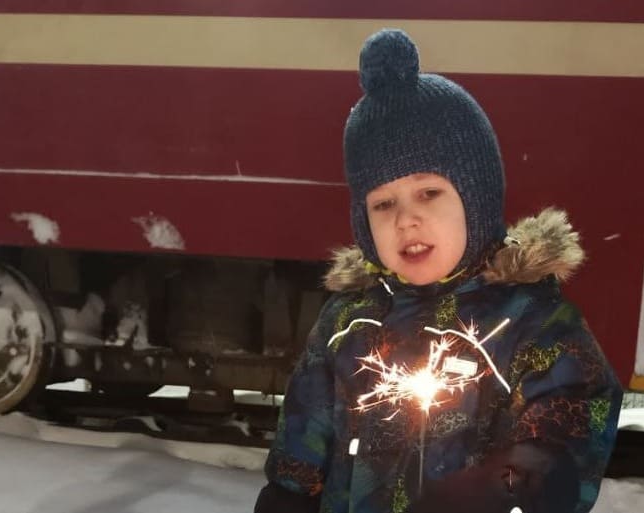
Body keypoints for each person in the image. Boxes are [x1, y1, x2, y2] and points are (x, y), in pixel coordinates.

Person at [254, 28, 622, 513]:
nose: (405, 219)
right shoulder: (347, 322)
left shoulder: (532, 325)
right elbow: (306, 432)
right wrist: (286, 496)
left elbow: (569, 420)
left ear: (476, 199)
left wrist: (503, 484)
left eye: (428, 193)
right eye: (383, 204)